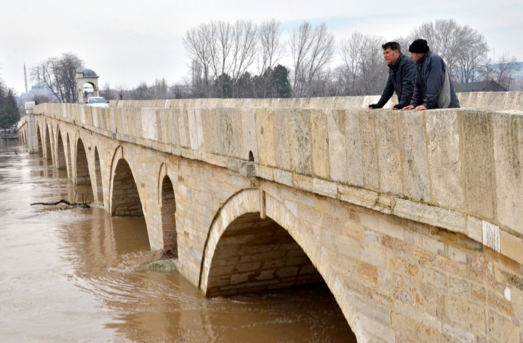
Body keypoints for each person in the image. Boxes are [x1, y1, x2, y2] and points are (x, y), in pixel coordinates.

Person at [403, 39, 460, 111]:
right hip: (435, 105)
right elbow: (417, 87)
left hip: (446, 106)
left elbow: (434, 84)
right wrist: (413, 104)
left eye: (412, 53)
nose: (410, 56)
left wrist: (427, 104)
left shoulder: (434, 60)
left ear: (420, 53)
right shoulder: (419, 64)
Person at [369, 42, 415, 110]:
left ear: (396, 52)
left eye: (387, 53)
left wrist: (402, 104)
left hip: (415, 105)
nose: (385, 56)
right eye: (384, 53)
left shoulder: (408, 63)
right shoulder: (393, 67)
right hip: (406, 105)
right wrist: (379, 105)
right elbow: (389, 88)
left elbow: (408, 85)